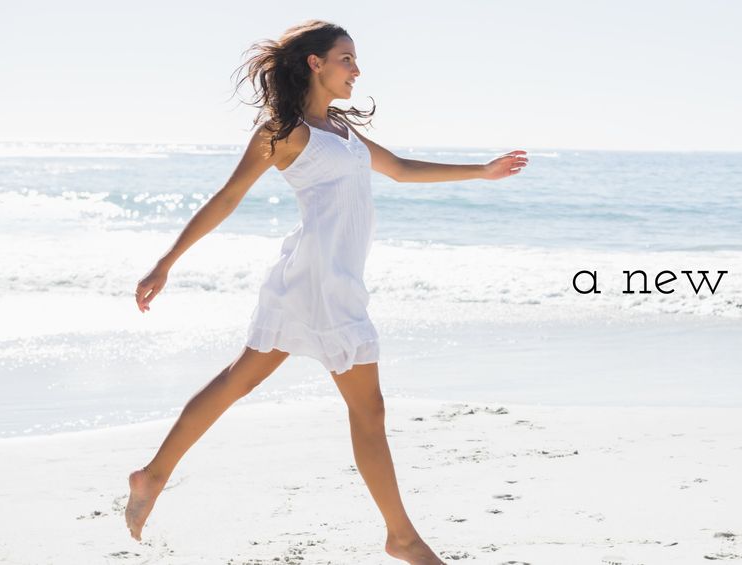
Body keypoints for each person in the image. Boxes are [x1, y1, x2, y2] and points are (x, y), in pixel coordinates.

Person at [124, 19, 528, 565]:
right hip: (321, 281)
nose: (356, 70)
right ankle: (401, 537)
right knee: (368, 410)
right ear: (315, 63)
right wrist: (167, 261)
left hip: (327, 276)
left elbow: (401, 169)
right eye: (347, 59)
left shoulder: (339, 129)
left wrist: (480, 172)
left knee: (239, 380)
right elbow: (228, 197)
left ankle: (152, 476)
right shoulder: (283, 132)